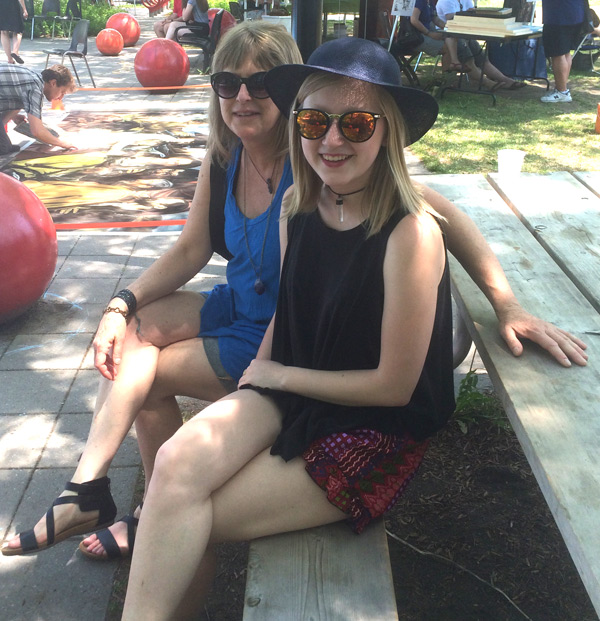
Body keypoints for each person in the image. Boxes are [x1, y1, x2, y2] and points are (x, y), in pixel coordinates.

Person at [1, 23, 587, 562]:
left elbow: (439, 217)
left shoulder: (324, 162)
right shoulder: (227, 156)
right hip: (243, 306)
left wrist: (504, 301)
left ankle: (148, 513)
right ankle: (95, 488)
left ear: (290, 93)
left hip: (284, 335)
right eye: (227, 83)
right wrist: (118, 303)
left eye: (260, 83)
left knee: (145, 376)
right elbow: (188, 251)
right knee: (133, 333)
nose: (242, 97)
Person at [412, 0, 525, 90]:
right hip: (431, 37)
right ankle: (487, 83)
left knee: (481, 58)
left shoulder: (430, 2)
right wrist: (432, 33)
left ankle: (504, 80)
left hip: (456, 35)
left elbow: (436, 19)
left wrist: (450, 27)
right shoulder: (434, 1)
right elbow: (415, 20)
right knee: (467, 58)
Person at [0, 64, 77, 156]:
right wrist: (62, 143)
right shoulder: (34, 89)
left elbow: (12, 96)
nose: (60, 98)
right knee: (4, 148)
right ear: (53, 83)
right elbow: (37, 131)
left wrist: (14, 116)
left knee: (8, 147)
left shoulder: (33, 79)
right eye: (62, 92)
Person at [540, 0, 585, 103]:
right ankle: (562, 89)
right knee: (565, 53)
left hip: (559, 16)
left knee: (558, 54)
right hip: (574, 13)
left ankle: (562, 91)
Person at [0, 0, 27, 64]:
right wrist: (24, 9)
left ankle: (10, 59)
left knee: (3, 32)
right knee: (18, 30)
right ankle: (15, 51)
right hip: (13, 4)